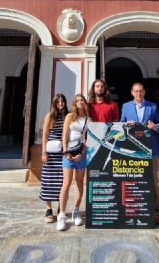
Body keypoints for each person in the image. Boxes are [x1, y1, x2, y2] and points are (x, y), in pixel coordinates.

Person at [120, 82, 159, 224]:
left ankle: (155, 210)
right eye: (136, 91)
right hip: (133, 150)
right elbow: (120, 124)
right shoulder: (126, 107)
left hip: (150, 149)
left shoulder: (152, 106)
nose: (138, 94)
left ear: (144, 92)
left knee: (153, 179)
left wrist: (155, 126)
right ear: (132, 92)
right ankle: (135, 209)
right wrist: (126, 125)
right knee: (134, 180)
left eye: (141, 91)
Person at [58, 94, 91, 231]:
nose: (79, 102)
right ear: (74, 103)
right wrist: (66, 152)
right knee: (66, 183)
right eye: (77, 100)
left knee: (79, 182)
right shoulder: (69, 117)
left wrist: (82, 153)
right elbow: (65, 134)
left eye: (81, 100)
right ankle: (61, 215)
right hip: (68, 154)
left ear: (85, 102)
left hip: (81, 154)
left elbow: (89, 138)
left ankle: (76, 211)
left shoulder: (89, 119)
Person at [39, 93, 68, 223]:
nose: (60, 104)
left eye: (62, 101)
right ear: (54, 103)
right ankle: (48, 208)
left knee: (61, 181)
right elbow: (44, 135)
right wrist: (44, 152)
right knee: (48, 180)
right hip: (51, 152)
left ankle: (60, 207)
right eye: (58, 102)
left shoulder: (68, 116)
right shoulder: (50, 116)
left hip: (63, 152)